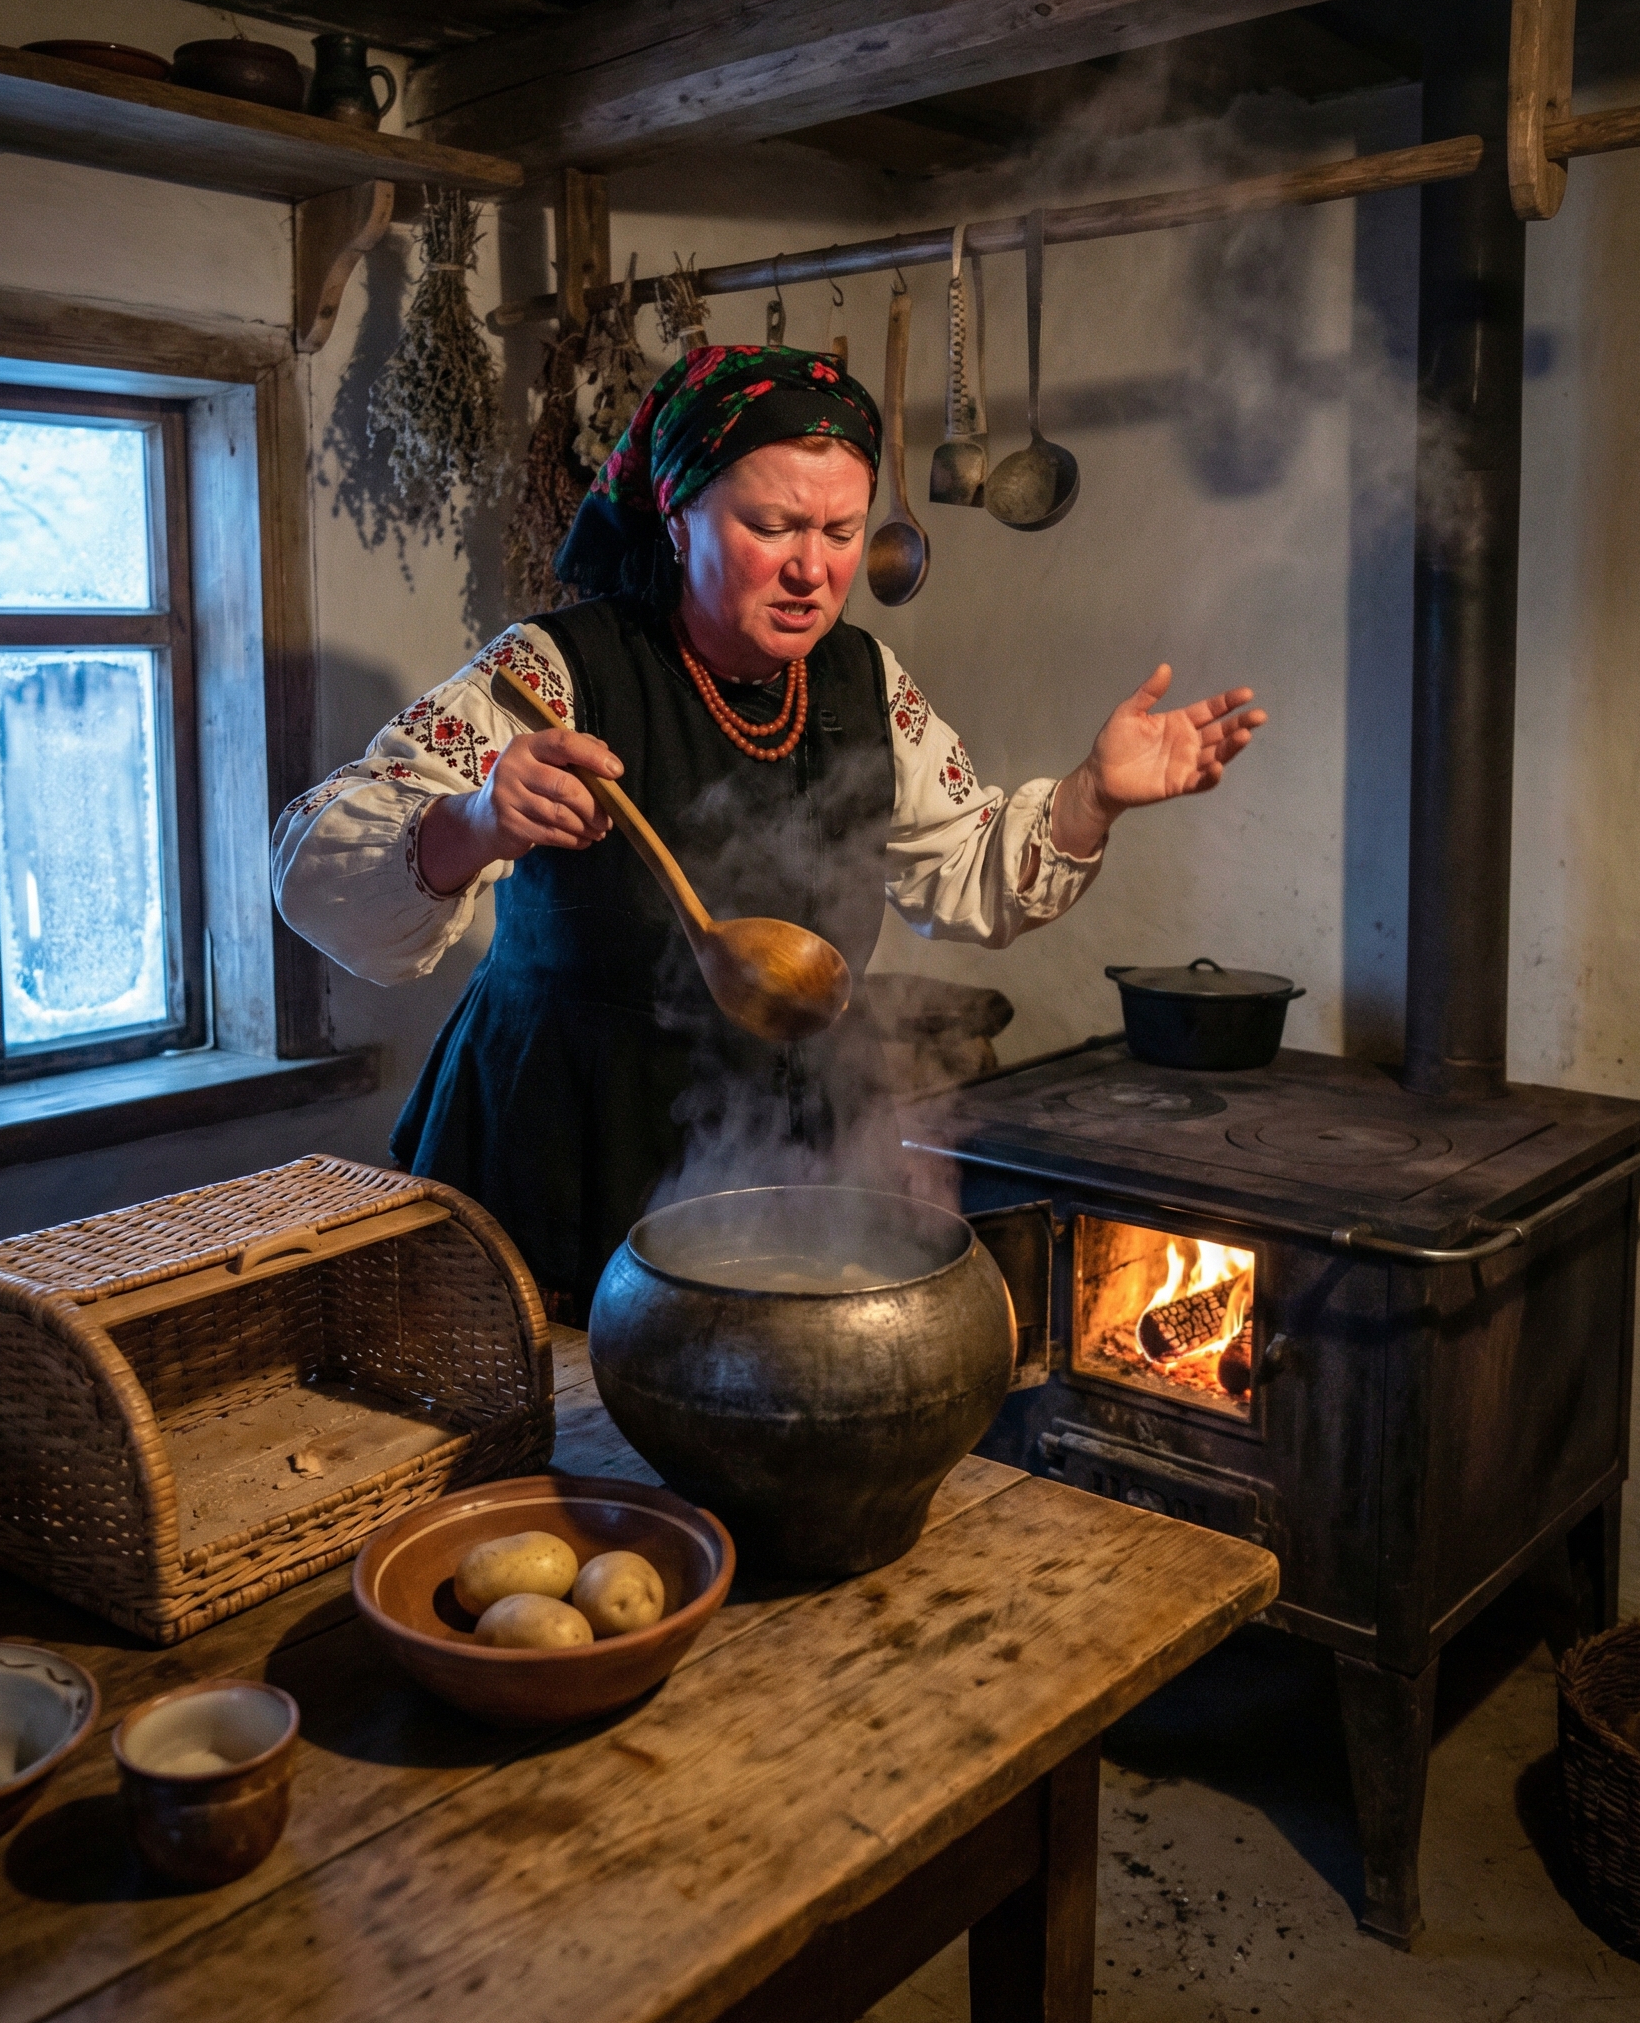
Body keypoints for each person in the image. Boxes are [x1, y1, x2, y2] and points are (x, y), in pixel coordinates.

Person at [273, 344, 1264, 1320]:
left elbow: (968, 873)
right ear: (676, 517)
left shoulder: (863, 682)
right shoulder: (552, 671)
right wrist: (478, 820)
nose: (811, 568)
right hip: (563, 1141)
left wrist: (1093, 793)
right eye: (771, 524)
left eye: (839, 530)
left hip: (786, 1130)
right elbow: (319, 870)